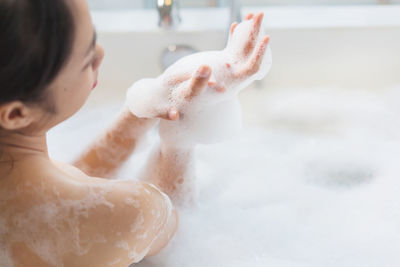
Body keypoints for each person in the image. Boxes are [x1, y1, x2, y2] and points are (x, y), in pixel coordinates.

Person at [0, 0, 269, 266]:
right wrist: (179, 140)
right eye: (85, 59)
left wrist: (149, 102)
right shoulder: (131, 214)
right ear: (16, 115)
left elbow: (66, 185)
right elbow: (175, 226)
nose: (100, 53)